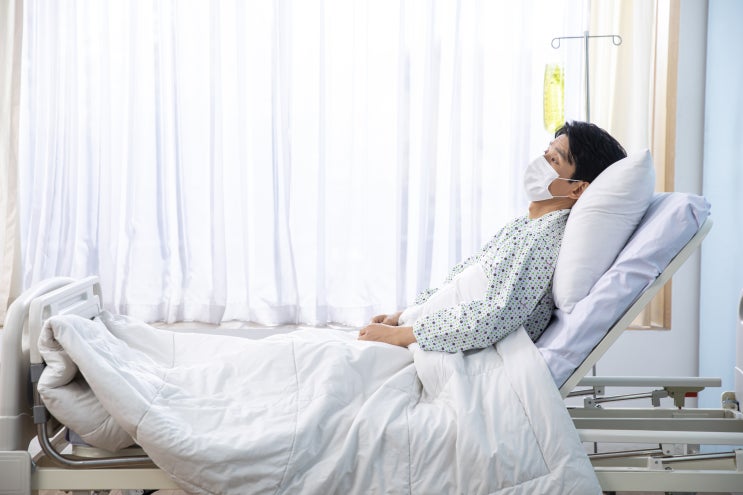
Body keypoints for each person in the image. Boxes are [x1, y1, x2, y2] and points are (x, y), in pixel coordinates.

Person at [358, 121, 627, 352]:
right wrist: (403, 316)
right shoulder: (526, 225)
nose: (540, 162)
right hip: (419, 324)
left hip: (437, 343)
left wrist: (400, 335)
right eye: (545, 153)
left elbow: (496, 317)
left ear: (577, 189)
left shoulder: (546, 238)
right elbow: (460, 280)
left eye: (553, 160)